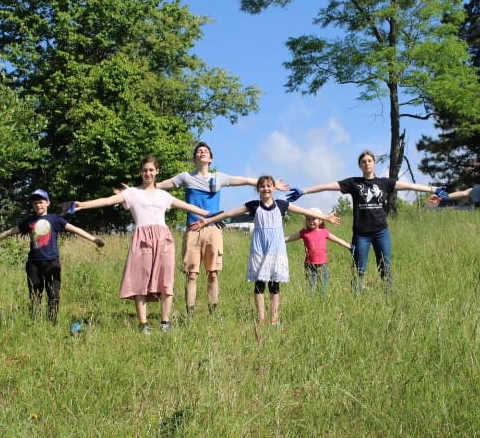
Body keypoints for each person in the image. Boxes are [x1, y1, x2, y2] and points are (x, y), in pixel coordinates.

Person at [74, 156, 210, 334]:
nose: (148, 173)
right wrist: (83, 205)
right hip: (142, 239)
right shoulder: (131, 193)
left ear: (157, 171)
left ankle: (165, 322)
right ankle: (143, 324)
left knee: (166, 280)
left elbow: (186, 206)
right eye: (145, 170)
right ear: (141, 172)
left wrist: (209, 214)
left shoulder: (164, 195)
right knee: (139, 280)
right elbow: (107, 200)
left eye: (151, 170)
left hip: (163, 239)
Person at [154, 142, 289, 315]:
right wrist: (141, 189)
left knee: (213, 273)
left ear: (211, 158)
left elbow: (243, 180)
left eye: (205, 151)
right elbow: (162, 185)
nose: (202, 152)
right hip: (193, 229)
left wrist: (268, 184)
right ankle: (190, 313)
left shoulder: (218, 177)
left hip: (214, 229)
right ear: (194, 158)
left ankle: (213, 312)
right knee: (191, 274)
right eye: (199, 151)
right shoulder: (185, 177)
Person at [287, 150, 449, 293]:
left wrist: (434, 189)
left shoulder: (384, 183)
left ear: (374, 163)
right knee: (359, 268)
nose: (366, 163)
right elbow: (328, 186)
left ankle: (388, 292)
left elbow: (411, 186)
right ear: (360, 165)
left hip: (381, 232)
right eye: (363, 161)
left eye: (369, 161)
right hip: (361, 234)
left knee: (385, 265)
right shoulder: (353, 183)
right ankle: (357, 294)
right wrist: (303, 191)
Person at [191, 176, 341, 326]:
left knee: (275, 286)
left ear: (274, 188)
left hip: (276, 250)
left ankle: (274, 318)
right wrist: (207, 221)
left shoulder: (282, 204)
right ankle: (261, 318)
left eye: (269, 185)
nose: (266, 188)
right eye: (262, 186)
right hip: (259, 250)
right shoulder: (253, 206)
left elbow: (303, 211)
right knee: (260, 285)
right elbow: (229, 214)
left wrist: (325, 217)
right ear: (258, 189)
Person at [0, 189, 105, 323]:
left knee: (53, 294)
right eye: (35, 203)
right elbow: (11, 231)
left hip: (52, 262)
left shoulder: (55, 219)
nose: (38, 205)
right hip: (33, 264)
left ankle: (52, 322)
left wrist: (94, 239)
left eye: (41, 202)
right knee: (35, 294)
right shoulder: (30, 221)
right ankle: (35, 322)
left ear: (47, 203)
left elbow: (75, 229)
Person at [285, 208, 351, 294]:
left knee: (323, 288)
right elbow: (290, 238)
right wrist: (277, 241)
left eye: (314, 219)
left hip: (323, 265)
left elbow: (337, 240)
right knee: (310, 288)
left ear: (320, 221)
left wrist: (349, 246)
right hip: (309, 265)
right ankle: (311, 302)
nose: (311, 221)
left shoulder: (324, 232)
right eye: (308, 219)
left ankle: (322, 301)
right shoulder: (304, 233)